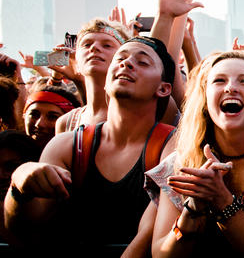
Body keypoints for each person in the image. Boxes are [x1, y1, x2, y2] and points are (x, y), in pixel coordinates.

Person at [4, 35, 177, 254]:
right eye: (120, 58)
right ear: (105, 82)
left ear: (163, 89)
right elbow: (23, 231)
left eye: (142, 62)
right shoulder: (68, 146)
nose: (126, 63)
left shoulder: (173, 145)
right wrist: (19, 185)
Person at [150, 51, 244, 257]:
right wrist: (193, 209)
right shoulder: (181, 162)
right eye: (219, 80)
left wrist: (221, 197)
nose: (231, 87)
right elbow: (161, 254)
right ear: (204, 100)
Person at [53, 18, 131, 132]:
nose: (94, 48)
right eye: (87, 44)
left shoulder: (140, 115)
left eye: (107, 45)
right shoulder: (66, 122)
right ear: (76, 59)